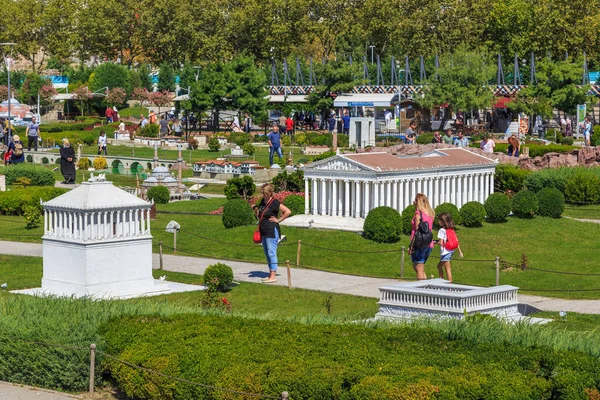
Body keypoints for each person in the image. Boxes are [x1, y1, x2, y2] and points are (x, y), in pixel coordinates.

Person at [254, 183, 291, 284]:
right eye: (262, 193)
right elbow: (260, 215)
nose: (263, 195)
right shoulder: (262, 201)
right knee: (267, 253)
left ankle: (273, 276)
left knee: (271, 252)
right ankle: (270, 274)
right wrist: (255, 210)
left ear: (270, 193)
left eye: (265, 193)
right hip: (264, 230)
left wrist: (278, 220)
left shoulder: (275, 202)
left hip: (271, 230)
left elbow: (288, 211)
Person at [409, 193, 435, 280]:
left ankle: (422, 290)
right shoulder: (430, 213)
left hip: (419, 244)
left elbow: (417, 231)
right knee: (419, 267)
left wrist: (412, 246)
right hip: (429, 243)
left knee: (419, 268)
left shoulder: (418, 214)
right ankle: (426, 286)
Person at [435, 212, 463, 283]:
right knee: (445, 268)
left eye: (439, 220)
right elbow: (456, 241)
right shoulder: (451, 230)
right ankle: (446, 284)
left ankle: (446, 284)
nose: (438, 222)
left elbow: (441, 243)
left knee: (442, 267)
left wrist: (434, 242)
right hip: (450, 251)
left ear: (443, 221)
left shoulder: (441, 230)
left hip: (445, 252)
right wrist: (460, 252)